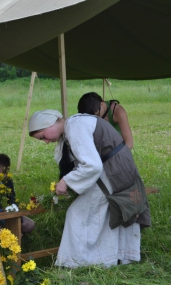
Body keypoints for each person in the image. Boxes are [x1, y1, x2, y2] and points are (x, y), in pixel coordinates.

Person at [28, 109, 150, 268]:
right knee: (108, 211)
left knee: (77, 213)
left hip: (114, 170)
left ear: (50, 123)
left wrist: (67, 181)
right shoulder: (75, 124)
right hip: (118, 167)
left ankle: (78, 262)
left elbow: (92, 165)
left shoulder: (75, 127)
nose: (45, 141)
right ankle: (111, 258)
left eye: (43, 136)